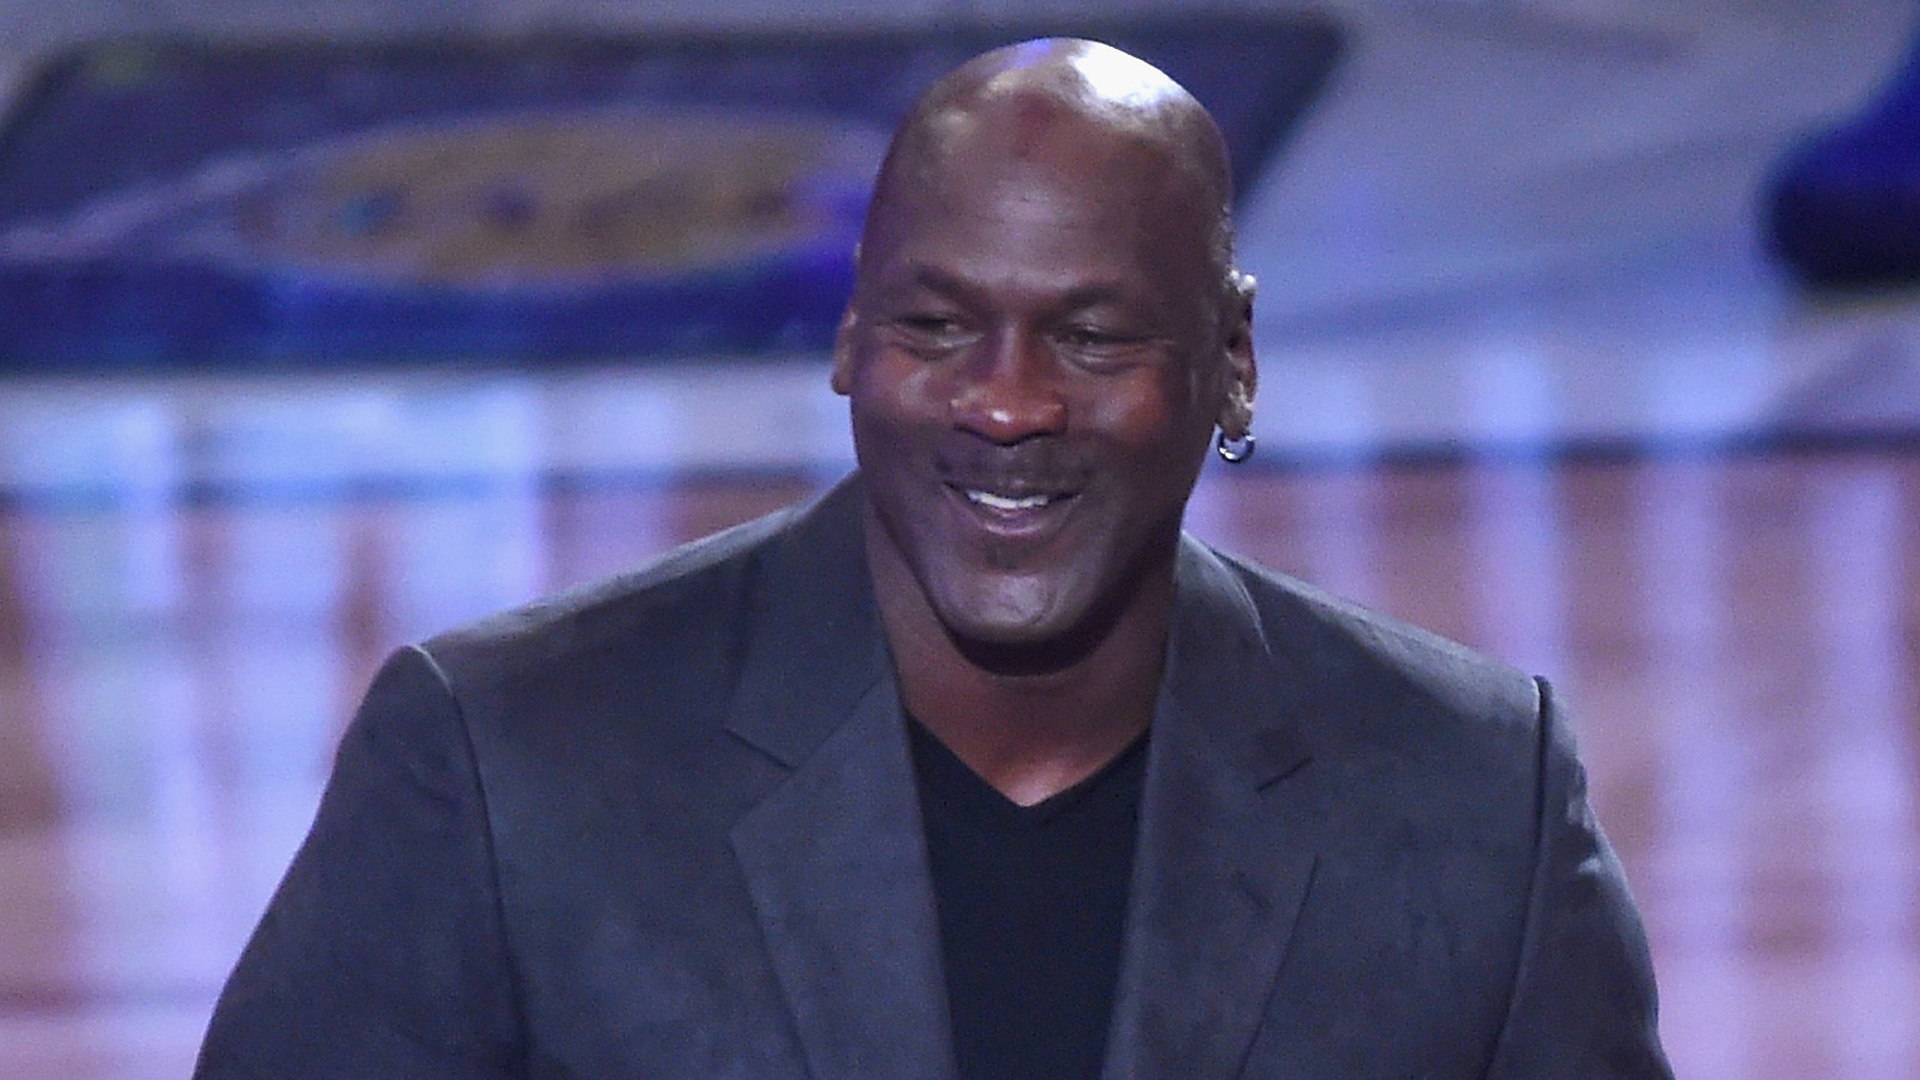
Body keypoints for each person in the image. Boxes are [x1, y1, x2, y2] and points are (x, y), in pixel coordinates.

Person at [194, 39, 1673, 1080]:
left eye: (1091, 337)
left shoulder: (1470, 796)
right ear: (849, 340)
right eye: (935, 326)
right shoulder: (503, 762)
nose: (1009, 402)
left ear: (1231, 361)